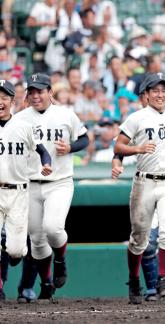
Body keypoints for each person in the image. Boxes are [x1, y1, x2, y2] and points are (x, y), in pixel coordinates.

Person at [113, 73, 165, 305]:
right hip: (144, 182)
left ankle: (163, 280)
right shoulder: (137, 118)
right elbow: (118, 145)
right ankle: (134, 279)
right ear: (146, 94)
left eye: (163, 90)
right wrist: (137, 149)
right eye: (155, 90)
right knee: (139, 239)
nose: (160, 94)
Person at [15, 73, 89, 302]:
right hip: (30, 183)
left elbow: (85, 139)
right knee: (36, 241)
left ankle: (60, 260)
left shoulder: (65, 114)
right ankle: (46, 283)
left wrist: (71, 147)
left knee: (54, 228)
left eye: (40, 91)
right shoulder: (20, 118)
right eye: (32, 91)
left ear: (50, 92)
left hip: (60, 181)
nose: (36, 95)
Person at [0, 79, 52, 301]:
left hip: (19, 192)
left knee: (16, 251)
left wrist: (46, 163)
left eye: (4, 97)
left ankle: (8, 247)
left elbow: (42, 151)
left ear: (12, 100)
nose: (0, 101)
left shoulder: (24, 127)